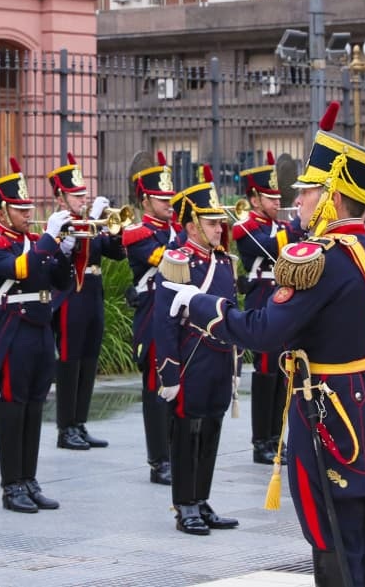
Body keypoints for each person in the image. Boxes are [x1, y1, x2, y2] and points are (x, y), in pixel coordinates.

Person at [167, 102, 365, 587]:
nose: (297, 200)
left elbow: (264, 331)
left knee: (334, 535)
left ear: (332, 199)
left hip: (329, 411)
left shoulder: (322, 259)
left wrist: (200, 305)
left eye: (307, 192)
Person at [0, 158, 73, 513]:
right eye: (19, 208)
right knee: (13, 406)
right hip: (12, 331)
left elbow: (60, 281)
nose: (27, 213)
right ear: (1, 212)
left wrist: (64, 252)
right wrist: (48, 240)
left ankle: (29, 480)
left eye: (28, 207)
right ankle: (11, 485)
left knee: (35, 405)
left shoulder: (36, 242)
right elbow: (21, 269)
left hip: (40, 329)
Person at [152, 167, 241, 536]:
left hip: (219, 358)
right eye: (211, 223)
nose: (219, 229)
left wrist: (236, 364)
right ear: (191, 226)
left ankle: (202, 499)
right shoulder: (177, 261)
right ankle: (184, 504)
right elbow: (164, 322)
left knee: (211, 430)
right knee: (187, 432)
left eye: (220, 223)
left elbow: (232, 312)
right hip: (192, 359)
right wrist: (169, 372)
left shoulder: (223, 261)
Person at [47, 153, 124, 451]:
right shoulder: (59, 224)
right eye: (76, 195)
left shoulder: (89, 222)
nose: (83, 199)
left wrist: (113, 229)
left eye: (83, 194)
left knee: (89, 360)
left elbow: (115, 253)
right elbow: (54, 260)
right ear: (60, 197)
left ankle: (80, 423)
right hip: (71, 296)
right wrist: (90, 222)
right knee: (70, 360)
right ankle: (65, 427)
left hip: (92, 294)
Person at [232, 151, 298, 464]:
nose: (276, 202)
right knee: (266, 369)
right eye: (270, 198)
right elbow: (272, 247)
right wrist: (296, 227)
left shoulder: (277, 225)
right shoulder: (245, 227)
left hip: (283, 296)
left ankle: (276, 437)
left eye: (277, 197)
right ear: (254, 199)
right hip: (261, 298)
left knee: (282, 369)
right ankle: (261, 442)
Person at [122, 151, 179, 485]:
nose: (169, 203)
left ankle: (174, 451)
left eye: (170, 197)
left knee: (177, 386)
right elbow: (169, 260)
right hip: (153, 316)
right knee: (156, 388)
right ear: (145, 200)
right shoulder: (138, 234)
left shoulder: (175, 230)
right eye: (162, 199)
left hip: (176, 317)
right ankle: (159, 460)